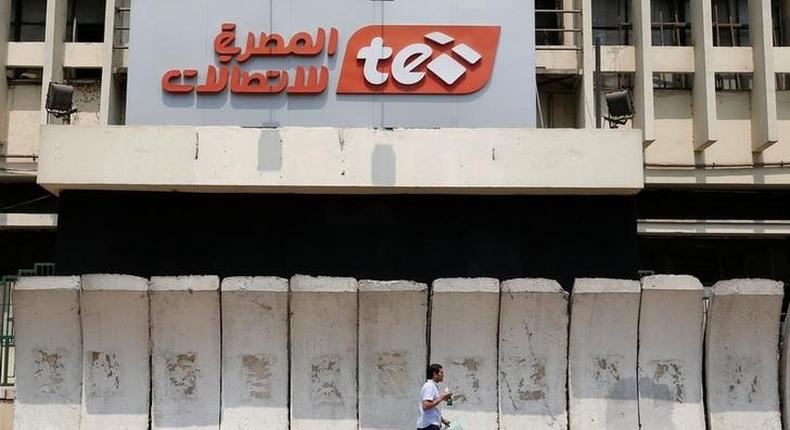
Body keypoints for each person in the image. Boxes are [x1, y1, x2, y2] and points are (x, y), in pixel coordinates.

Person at [417, 363, 452, 430]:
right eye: (441, 373)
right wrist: (441, 398)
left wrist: (442, 419)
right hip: (428, 426)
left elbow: (432, 409)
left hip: (431, 425)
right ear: (434, 374)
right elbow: (426, 406)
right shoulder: (429, 386)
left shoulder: (433, 386)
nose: (443, 375)